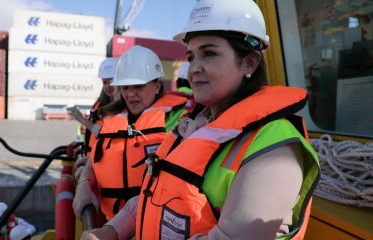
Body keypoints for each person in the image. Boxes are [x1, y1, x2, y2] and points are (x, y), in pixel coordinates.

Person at [80, 0, 320, 239]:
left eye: (209, 54)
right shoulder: (193, 128)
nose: (193, 68)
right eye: (191, 56)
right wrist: (110, 231)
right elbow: (154, 196)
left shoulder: (274, 149)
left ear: (249, 62)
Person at [73, 45, 188, 222]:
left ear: (157, 86)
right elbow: (98, 158)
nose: (130, 94)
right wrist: (84, 183)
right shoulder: (111, 119)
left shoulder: (178, 120)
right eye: (125, 87)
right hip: (110, 221)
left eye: (138, 87)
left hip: (152, 223)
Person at [68, 57, 119, 179]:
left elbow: (104, 133)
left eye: (111, 82)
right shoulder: (100, 105)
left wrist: (80, 118)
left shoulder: (124, 109)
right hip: (93, 160)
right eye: (104, 82)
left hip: (107, 165)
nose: (107, 86)